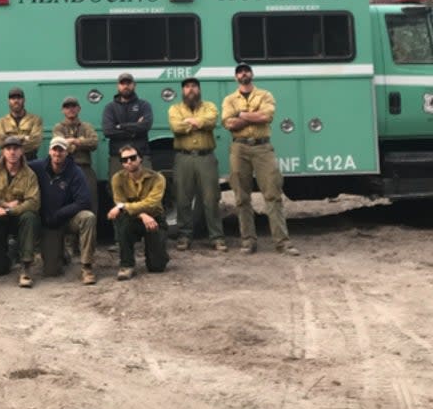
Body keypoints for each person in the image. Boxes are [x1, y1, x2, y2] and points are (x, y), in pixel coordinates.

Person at [222, 63, 299, 256]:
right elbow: (228, 123)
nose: (243, 73)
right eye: (239, 71)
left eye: (246, 70)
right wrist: (251, 116)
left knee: (273, 194)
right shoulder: (229, 99)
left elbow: (266, 116)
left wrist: (240, 115)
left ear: (252, 74)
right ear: (235, 77)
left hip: (263, 147)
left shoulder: (265, 95)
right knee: (241, 197)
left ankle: (282, 242)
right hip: (239, 148)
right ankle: (248, 241)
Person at [167, 77, 226, 252]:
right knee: (182, 198)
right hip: (183, 158)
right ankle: (184, 236)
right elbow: (176, 127)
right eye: (187, 87)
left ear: (199, 90)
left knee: (211, 198)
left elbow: (211, 121)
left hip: (206, 157)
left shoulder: (209, 106)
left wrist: (193, 122)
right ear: (182, 91)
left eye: (194, 86)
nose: (190, 90)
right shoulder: (175, 108)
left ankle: (217, 237)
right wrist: (199, 123)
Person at [31, 137, 98, 285]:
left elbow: (84, 201)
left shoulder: (76, 172)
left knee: (88, 217)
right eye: (55, 149)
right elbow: (16, 163)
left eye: (61, 150)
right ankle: (62, 254)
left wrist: (60, 213)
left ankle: (87, 267)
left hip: (69, 219)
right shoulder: (38, 166)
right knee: (51, 272)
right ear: (49, 151)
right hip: (50, 224)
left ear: (67, 152)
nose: (57, 153)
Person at [0, 135, 41, 287]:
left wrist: (11, 210)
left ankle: (26, 266)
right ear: (3, 152)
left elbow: (34, 202)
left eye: (16, 149)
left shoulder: (29, 174)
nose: (12, 152)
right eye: (9, 149)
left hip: (17, 217)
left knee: (30, 217)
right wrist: (3, 205)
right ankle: (11, 254)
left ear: (22, 152)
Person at [107, 144, 168, 280]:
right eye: (124, 160)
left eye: (133, 158)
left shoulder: (157, 178)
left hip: (155, 218)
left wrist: (125, 206)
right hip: (133, 218)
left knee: (157, 267)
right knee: (122, 222)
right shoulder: (117, 178)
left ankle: (159, 254)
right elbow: (119, 202)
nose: (129, 162)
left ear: (140, 159)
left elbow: (152, 203)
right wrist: (142, 214)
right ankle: (127, 265)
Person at [51, 96, 100, 214]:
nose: (70, 109)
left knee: (91, 201)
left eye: (73, 106)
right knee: (64, 202)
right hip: (65, 169)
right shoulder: (58, 127)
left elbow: (94, 143)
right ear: (63, 110)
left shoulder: (86, 126)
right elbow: (60, 145)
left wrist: (73, 141)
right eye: (67, 107)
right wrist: (81, 141)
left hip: (85, 168)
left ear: (79, 109)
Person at [102, 73, 153, 181]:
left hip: (141, 156)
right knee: (117, 191)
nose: (125, 86)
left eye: (128, 83)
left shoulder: (144, 105)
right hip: (118, 157)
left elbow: (145, 126)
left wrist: (120, 126)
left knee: (146, 188)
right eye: (122, 83)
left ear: (134, 85)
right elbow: (108, 131)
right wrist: (134, 130)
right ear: (118, 86)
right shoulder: (110, 108)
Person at [0, 87, 43, 160]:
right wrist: (24, 138)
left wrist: (11, 142)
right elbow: (1, 142)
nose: (16, 101)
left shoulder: (35, 120)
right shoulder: (1, 122)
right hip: (8, 162)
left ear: (24, 100)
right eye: (13, 98)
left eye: (19, 98)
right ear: (8, 101)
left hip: (29, 160)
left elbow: (35, 142)